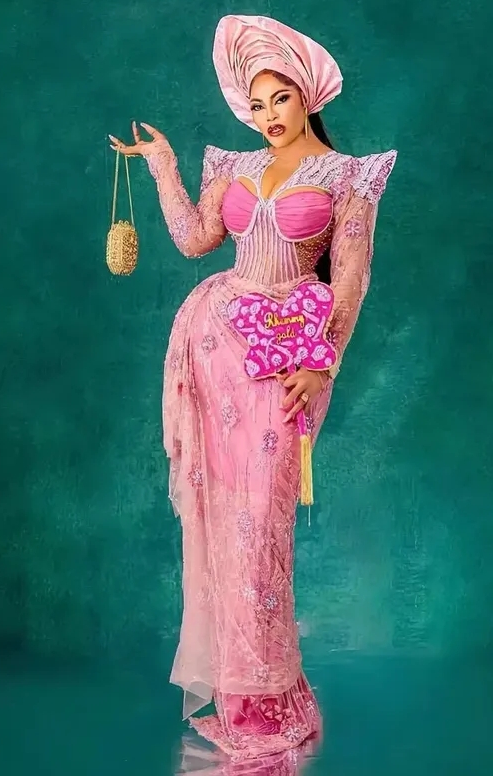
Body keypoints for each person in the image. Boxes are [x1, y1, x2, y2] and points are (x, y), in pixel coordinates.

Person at [110, 13, 396, 761]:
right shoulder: (232, 165)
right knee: (220, 517)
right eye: (257, 102)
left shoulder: (347, 178)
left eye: (281, 98)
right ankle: (238, 697)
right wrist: (164, 165)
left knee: (260, 523)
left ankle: (271, 700)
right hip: (217, 345)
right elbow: (194, 240)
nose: (268, 115)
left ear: (307, 96)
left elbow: (351, 282)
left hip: (288, 354)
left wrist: (322, 363)